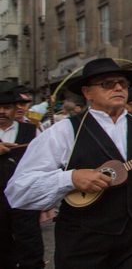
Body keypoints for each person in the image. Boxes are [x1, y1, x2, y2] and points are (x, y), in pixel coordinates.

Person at [5, 58, 132, 267]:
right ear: (87, 93)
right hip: (83, 241)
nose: (118, 88)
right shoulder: (64, 131)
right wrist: (70, 178)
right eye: (107, 84)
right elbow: (18, 191)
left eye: (122, 83)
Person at [0, 84, 44, 269]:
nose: (2, 111)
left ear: (15, 108)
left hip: (24, 198)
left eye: (6, 107)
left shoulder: (30, 131)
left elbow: (43, 161)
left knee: (30, 245)